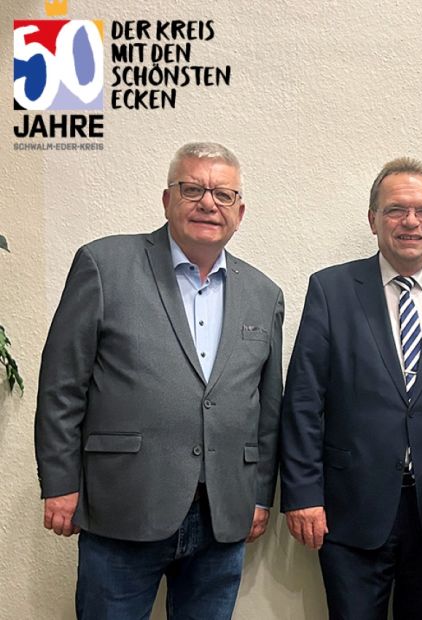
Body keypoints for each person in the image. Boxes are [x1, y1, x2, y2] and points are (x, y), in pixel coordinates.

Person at [35, 142, 284, 619]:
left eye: (223, 195)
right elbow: (62, 384)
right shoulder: (104, 265)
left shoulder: (264, 293)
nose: (208, 203)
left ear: (240, 212)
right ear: (167, 200)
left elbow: (266, 408)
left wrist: (258, 494)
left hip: (221, 515)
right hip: (123, 504)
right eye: (192, 189)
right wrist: (60, 482)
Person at [280, 157, 422, 620]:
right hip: (351, 508)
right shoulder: (331, 289)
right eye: (395, 209)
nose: (411, 221)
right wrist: (303, 494)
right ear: (373, 220)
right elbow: (305, 401)